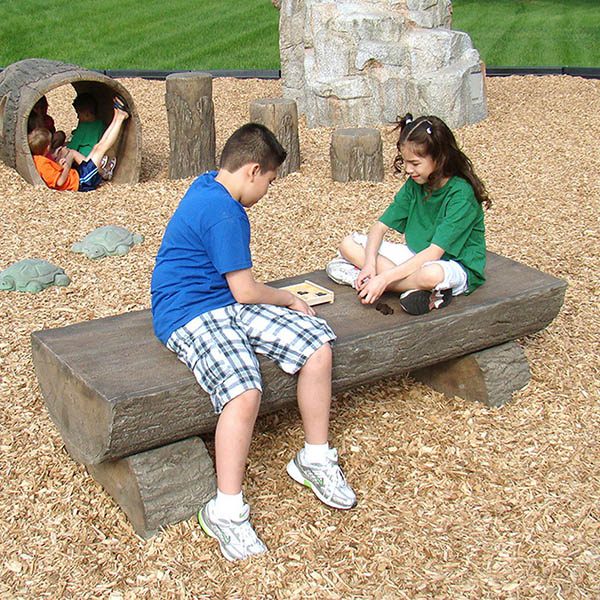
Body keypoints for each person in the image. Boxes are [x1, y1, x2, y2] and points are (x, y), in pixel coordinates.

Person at [151, 123, 356, 562]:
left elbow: (238, 291)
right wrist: (288, 297)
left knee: (317, 344)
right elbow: (246, 291)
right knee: (244, 390)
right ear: (253, 170)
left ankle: (315, 458)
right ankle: (225, 510)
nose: (267, 190)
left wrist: (286, 307)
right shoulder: (225, 212)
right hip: (190, 311)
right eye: (269, 181)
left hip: (224, 300)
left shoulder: (210, 183)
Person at [326, 113, 491, 315]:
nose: (408, 169)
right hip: (416, 255)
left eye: (415, 163)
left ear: (439, 158)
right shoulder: (416, 183)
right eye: (405, 161)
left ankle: (386, 283)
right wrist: (369, 265)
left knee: (430, 275)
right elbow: (379, 227)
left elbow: (434, 253)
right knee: (348, 244)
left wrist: (383, 279)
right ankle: (411, 289)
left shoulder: (461, 195)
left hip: (455, 265)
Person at [28, 98, 129, 192]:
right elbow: (59, 182)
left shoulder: (38, 159)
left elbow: (54, 174)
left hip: (78, 175)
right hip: (83, 181)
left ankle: (117, 115)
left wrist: (59, 166)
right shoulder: (42, 164)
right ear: (47, 147)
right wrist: (67, 167)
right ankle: (120, 118)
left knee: (97, 147)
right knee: (101, 148)